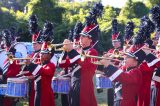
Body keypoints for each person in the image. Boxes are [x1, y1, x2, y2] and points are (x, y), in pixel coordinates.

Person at [24, 42, 56, 106]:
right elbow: (29, 73)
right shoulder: (41, 64)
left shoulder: (51, 65)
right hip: (38, 91)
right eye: (41, 53)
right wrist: (27, 65)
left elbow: (44, 71)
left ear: (49, 56)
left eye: (43, 54)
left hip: (45, 93)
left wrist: (31, 64)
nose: (41, 55)